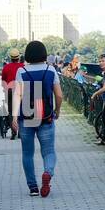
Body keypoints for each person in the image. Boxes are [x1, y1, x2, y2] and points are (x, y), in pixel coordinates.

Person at [11, 39, 63, 197]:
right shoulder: (51, 70)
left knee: (27, 153)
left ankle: (33, 187)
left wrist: (14, 116)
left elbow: (18, 95)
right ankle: (47, 173)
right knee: (48, 152)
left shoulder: (21, 71)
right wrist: (57, 110)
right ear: (44, 54)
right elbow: (59, 95)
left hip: (26, 116)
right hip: (45, 116)